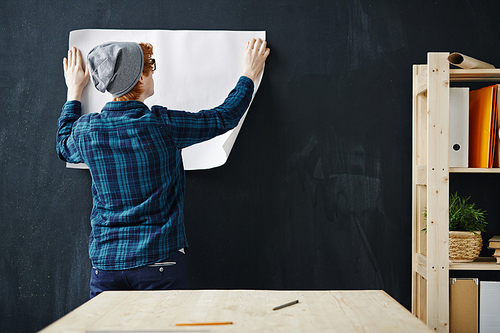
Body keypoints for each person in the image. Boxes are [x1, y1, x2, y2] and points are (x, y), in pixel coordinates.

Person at [57, 38, 270, 298]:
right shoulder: (163, 125)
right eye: (151, 67)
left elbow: (62, 146)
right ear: (141, 79)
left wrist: (74, 92)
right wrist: (249, 74)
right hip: (160, 263)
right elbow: (224, 116)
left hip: (106, 265)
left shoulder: (86, 130)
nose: (153, 74)